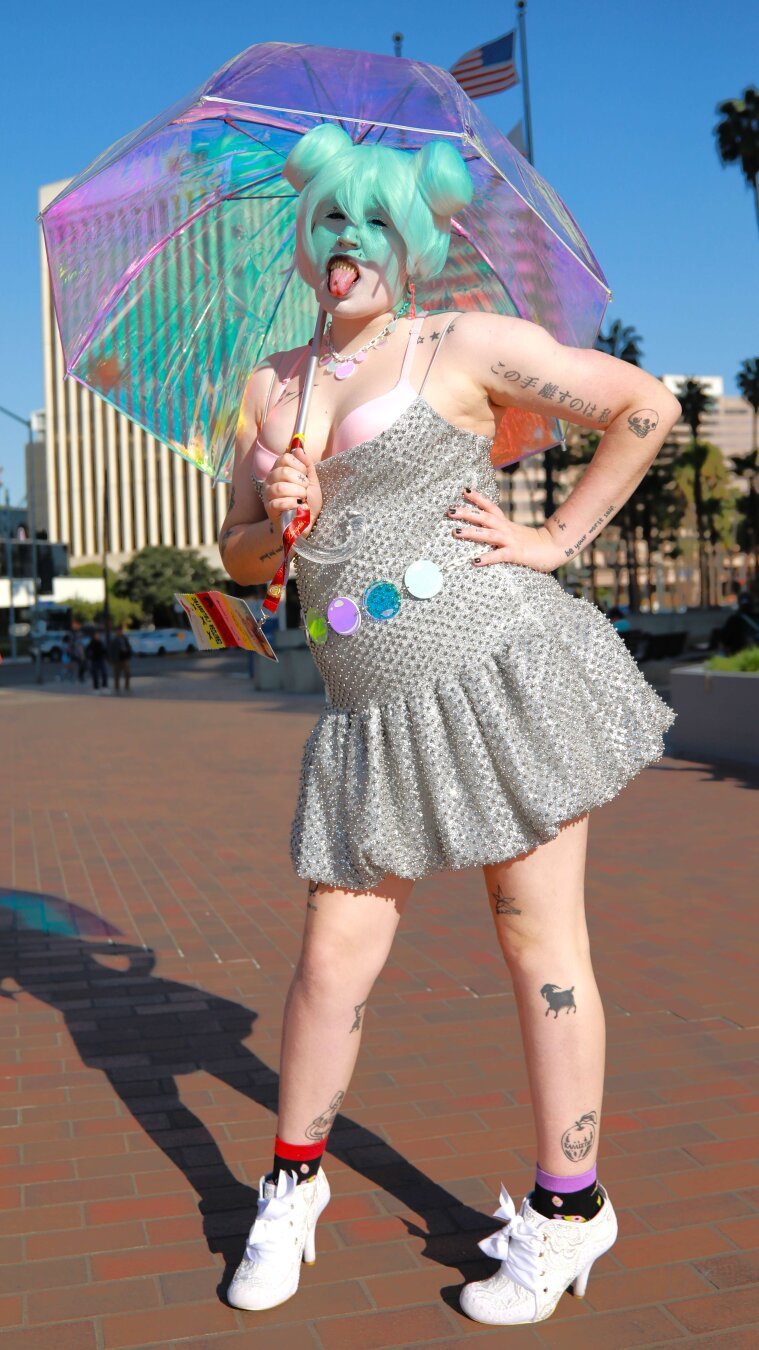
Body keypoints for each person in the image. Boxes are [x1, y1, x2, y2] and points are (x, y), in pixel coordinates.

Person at [217, 124, 680, 1327]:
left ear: (409, 238)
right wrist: (279, 518)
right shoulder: (272, 386)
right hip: (371, 712)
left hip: (498, 673)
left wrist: (556, 540)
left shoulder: (458, 342)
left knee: (536, 942)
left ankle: (571, 1212)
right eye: (330, 223)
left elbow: (644, 405)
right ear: (305, 234)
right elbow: (239, 557)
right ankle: (292, 1187)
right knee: (331, 962)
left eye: (375, 225)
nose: (350, 246)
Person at [108, 624, 133, 694]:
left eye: (121, 631)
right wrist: (111, 659)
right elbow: (110, 650)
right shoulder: (113, 639)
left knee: (127, 672)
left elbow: (128, 646)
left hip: (124, 658)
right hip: (117, 659)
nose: (120, 632)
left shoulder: (124, 638)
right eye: (119, 631)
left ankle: (127, 686)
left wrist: (129, 653)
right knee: (116, 674)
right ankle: (117, 687)